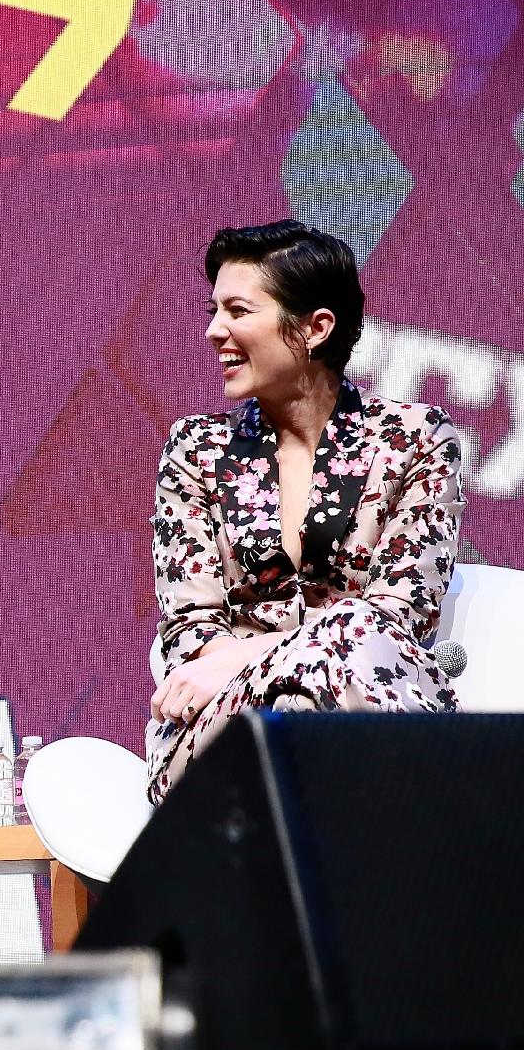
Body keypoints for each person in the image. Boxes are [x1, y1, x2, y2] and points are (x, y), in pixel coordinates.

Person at [146, 221, 464, 803]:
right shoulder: (196, 449)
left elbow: (400, 613)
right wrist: (254, 666)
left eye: (238, 311)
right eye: (214, 310)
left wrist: (256, 650)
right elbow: (190, 629)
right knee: (337, 654)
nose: (215, 331)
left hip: (366, 704)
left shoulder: (413, 439)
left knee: (348, 648)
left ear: (316, 327)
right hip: (225, 724)